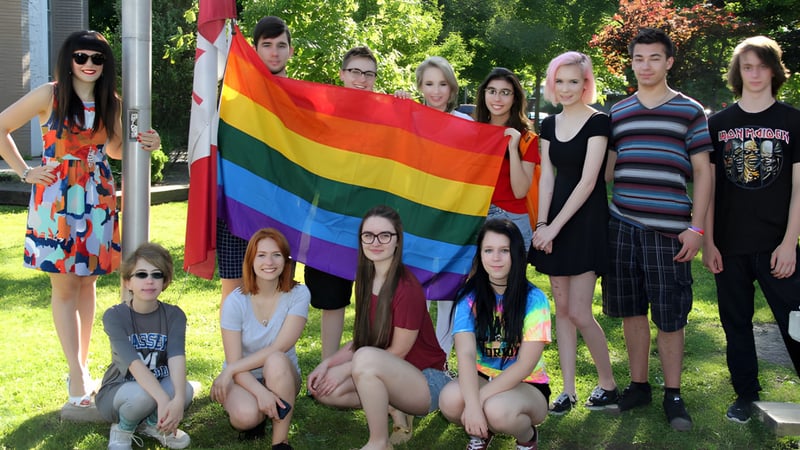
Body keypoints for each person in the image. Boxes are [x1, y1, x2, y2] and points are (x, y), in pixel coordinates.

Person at [0, 30, 160, 407]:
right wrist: (24, 172)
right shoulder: (49, 94)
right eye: (81, 57)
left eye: (97, 58)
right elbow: (2, 126)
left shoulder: (111, 101)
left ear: (106, 64)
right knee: (64, 286)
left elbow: (118, 149)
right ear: (69, 59)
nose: (89, 64)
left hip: (97, 197)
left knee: (87, 283)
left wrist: (147, 142)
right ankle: (76, 372)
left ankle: (84, 365)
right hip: (56, 198)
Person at [602, 28, 712, 431]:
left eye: (654, 58)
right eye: (638, 59)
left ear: (668, 62)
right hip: (623, 226)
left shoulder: (690, 111)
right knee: (631, 311)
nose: (645, 66)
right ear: (631, 63)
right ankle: (639, 385)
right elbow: (608, 170)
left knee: (670, 316)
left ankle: (673, 393)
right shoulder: (617, 112)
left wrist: (696, 229)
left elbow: (703, 173)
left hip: (670, 231)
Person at [703, 35, 800, 424]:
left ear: (774, 71)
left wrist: (790, 242)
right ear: (737, 72)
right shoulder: (718, 124)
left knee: (796, 319)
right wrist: (708, 243)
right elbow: (707, 191)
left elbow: (798, 189)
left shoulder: (793, 121)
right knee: (736, 323)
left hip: (778, 244)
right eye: (747, 66)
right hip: (729, 244)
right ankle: (746, 394)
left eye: (762, 66)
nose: (755, 73)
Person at [307, 205, 450, 450]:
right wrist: (327, 364)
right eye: (368, 235)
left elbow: (398, 352)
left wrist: (345, 370)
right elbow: (364, 339)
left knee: (363, 358)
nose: (376, 242)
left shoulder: (406, 287)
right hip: (385, 373)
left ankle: (379, 443)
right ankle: (391, 407)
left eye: (385, 235)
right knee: (324, 390)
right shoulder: (366, 279)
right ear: (361, 239)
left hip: (427, 382)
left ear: (397, 241)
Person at [529, 51, 619, 415]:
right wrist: (540, 224)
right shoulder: (548, 125)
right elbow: (548, 177)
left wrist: (554, 227)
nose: (566, 88)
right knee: (561, 310)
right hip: (553, 223)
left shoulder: (600, 122)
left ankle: (608, 384)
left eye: (574, 81)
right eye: (560, 81)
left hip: (585, 223)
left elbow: (588, 181)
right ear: (552, 84)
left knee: (581, 311)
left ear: (586, 84)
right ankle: (567, 391)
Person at [438, 218, 551, 450]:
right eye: (488, 250)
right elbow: (466, 355)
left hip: (527, 385)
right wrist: (471, 402)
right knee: (449, 400)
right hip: (482, 376)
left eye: (504, 251)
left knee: (497, 410)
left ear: (517, 254)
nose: (495, 258)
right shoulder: (469, 297)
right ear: (479, 255)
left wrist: (474, 403)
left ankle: (527, 438)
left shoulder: (534, 300)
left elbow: (524, 365)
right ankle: (481, 432)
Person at [393, 55, 474, 356]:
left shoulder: (466, 125)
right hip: (415, 216)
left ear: (452, 90)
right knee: (415, 286)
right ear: (420, 87)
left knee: (448, 289)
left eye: (442, 84)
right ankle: (414, 352)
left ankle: (442, 355)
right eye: (429, 84)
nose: (436, 91)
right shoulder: (410, 117)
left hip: (452, 218)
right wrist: (399, 103)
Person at [305, 46, 378, 362]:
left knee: (371, 299)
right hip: (329, 220)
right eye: (355, 72)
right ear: (342, 74)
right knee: (332, 299)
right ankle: (326, 366)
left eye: (369, 74)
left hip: (373, 222)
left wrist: (404, 103)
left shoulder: (388, 114)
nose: (362, 79)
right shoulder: (324, 111)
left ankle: (366, 366)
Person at [218, 16, 294, 306]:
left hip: (283, 208)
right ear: (255, 49)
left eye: (281, 45)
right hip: (237, 205)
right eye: (267, 45)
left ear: (291, 50)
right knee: (234, 290)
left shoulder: (303, 100)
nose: (274, 52)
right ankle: (233, 354)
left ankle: (277, 351)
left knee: (279, 287)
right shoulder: (233, 94)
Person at [211, 228, 309, 449]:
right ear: (251, 260)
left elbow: (281, 346)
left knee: (275, 358)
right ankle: (260, 411)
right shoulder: (235, 301)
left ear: (286, 260)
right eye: (261, 255)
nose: (269, 262)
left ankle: (280, 442)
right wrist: (259, 391)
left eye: (276, 255)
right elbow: (235, 361)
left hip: (282, 372)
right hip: (242, 376)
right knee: (245, 417)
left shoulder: (299, 294)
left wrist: (228, 371)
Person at [96, 243, 193, 450]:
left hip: (157, 385)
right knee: (144, 394)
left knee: (185, 389)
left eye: (156, 275)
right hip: (120, 391)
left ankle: (153, 425)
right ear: (127, 282)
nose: (149, 281)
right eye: (141, 274)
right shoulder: (114, 316)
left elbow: (177, 357)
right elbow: (133, 364)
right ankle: (122, 430)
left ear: (165, 281)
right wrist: (164, 399)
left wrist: (177, 400)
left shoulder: (174, 315)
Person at [474, 68, 538, 251]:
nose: (497, 98)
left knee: (509, 280)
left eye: (505, 93)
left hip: (512, 220)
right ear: (484, 94)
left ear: (515, 98)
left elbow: (520, 191)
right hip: (474, 217)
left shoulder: (527, 139)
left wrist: (512, 148)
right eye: (492, 91)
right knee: (472, 279)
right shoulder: (472, 132)